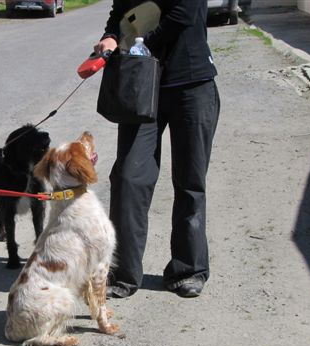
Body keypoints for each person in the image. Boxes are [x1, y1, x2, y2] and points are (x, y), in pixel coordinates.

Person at [94, 0, 220, 298]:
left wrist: (139, 45)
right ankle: (122, 272)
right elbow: (121, 13)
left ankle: (188, 269)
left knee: (190, 180)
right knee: (128, 177)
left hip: (192, 82)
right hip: (139, 85)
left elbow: (185, 12)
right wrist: (112, 35)